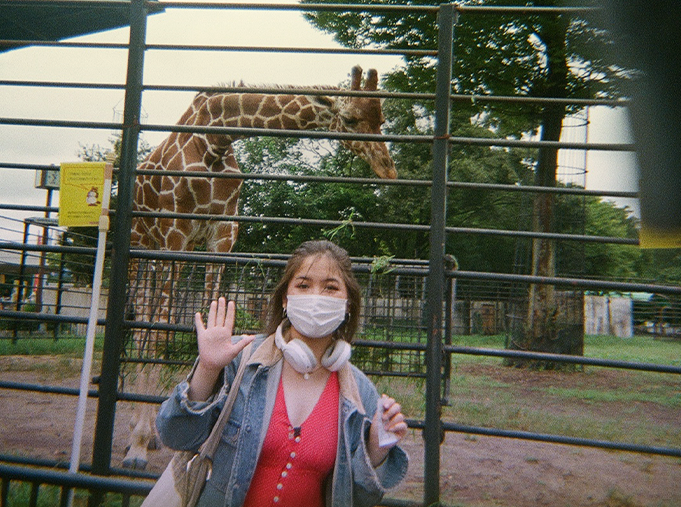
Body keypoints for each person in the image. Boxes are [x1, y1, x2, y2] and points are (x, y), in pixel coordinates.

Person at [156, 240, 409, 507]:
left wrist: (375, 450)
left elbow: (358, 499)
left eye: (331, 287)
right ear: (285, 300)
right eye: (303, 285)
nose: (316, 296)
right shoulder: (240, 359)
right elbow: (175, 436)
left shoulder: (360, 393)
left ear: (348, 305)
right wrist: (207, 371)